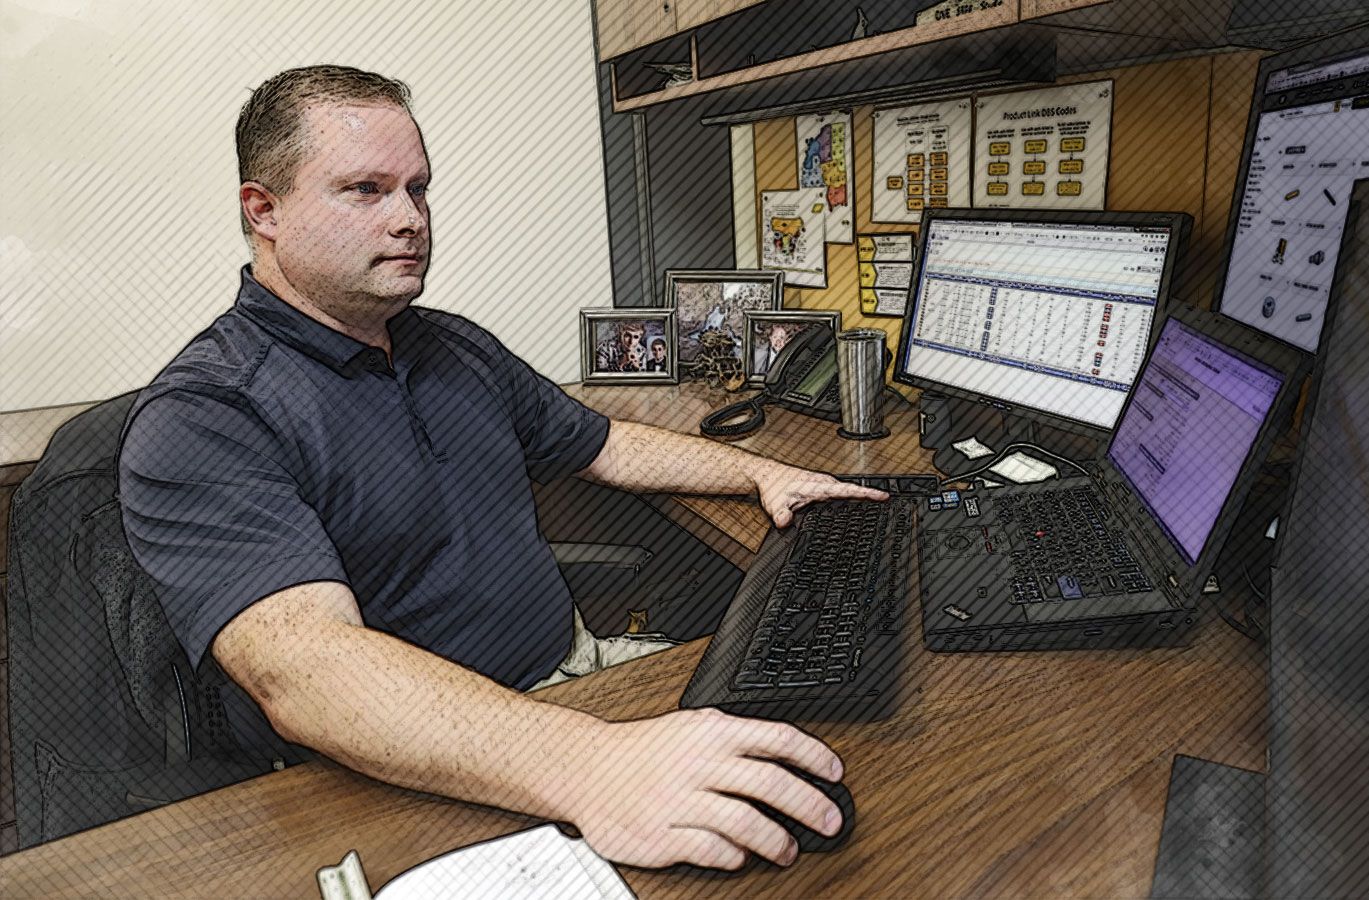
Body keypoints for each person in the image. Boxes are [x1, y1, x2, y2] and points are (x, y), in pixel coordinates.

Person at [117, 65, 887, 872]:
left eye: (419, 189)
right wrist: (596, 764)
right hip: (421, 770)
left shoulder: (451, 344)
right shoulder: (204, 416)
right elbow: (310, 673)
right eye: (366, 190)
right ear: (263, 211)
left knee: (840, 749)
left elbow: (604, 443)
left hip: (575, 678)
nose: (410, 219)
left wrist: (754, 474)